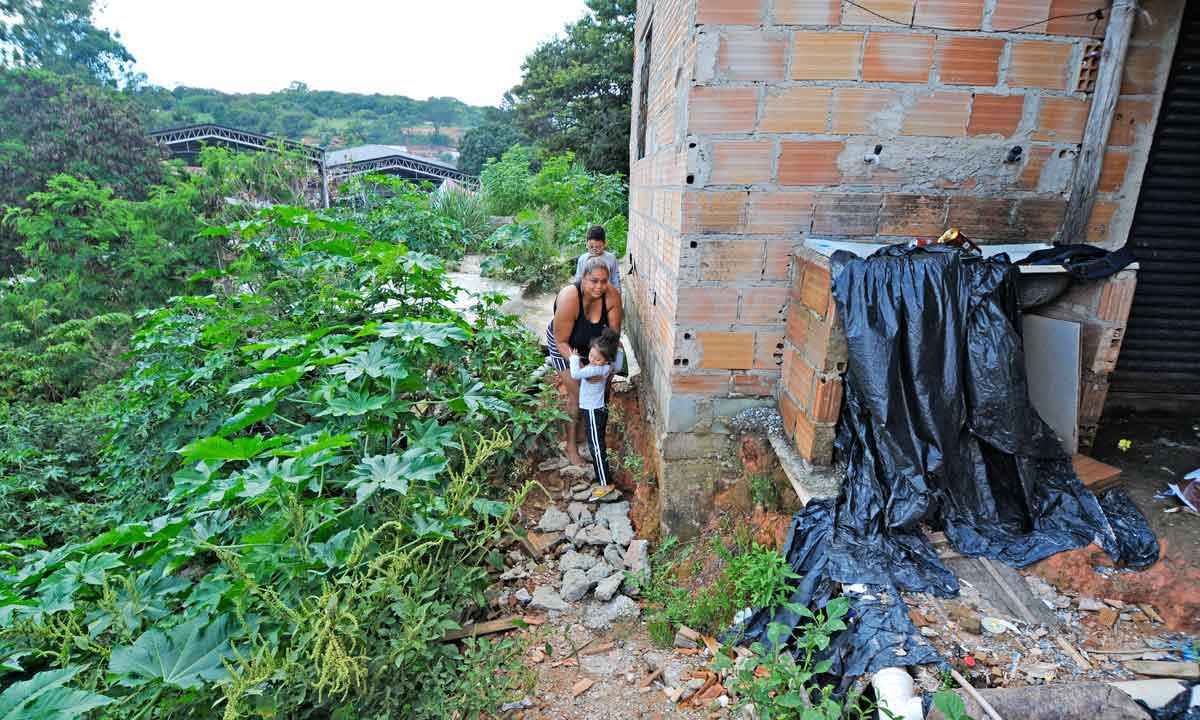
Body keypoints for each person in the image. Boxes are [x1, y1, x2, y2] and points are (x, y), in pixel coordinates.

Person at [546, 256, 623, 467]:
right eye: (593, 280)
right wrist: (581, 369)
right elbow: (561, 341)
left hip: (596, 347)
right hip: (565, 343)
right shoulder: (570, 297)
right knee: (578, 392)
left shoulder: (612, 296)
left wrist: (604, 370)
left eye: (604, 281)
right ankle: (570, 445)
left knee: (600, 392)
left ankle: (588, 438)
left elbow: (612, 338)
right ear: (583, 278)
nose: (599, 286)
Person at [569, 328, 621, 494]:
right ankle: (604, 479)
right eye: (591, 355)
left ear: (605, 361)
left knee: (596, 447)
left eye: (597, 359)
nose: (592, 360)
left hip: (592, 410)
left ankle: (605, 483)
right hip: (598, 408)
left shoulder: (594, 370)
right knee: (598, 444)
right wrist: (619, 350)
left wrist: (574, 358)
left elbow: (575, 373)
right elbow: (618, 366)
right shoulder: (606, 368)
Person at [573, 225, 621, 291]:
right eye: (591, 247)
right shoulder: (582, 259)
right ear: (586, 244)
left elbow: (615, 280)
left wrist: (617, 295)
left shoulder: (611, 259)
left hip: (606, 293)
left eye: (598, 247)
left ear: (605, 244)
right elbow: (578, 279)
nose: (594, 249)